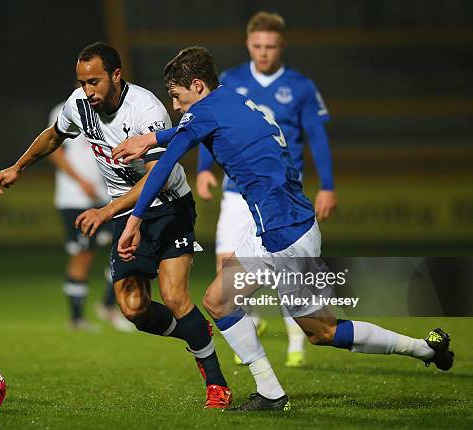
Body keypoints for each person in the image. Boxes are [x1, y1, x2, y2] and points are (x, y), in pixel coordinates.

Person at [113, 46, 454, 412]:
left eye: (178, 97)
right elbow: (187, 131)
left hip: (284, 236)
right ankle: (278, 390)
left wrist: (133, 220)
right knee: (231, 305)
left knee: (312, 328)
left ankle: (280, 392)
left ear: (197, 86)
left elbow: (163, 167)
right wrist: (150, 138)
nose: (177, 106)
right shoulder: (229, 99)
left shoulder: (205, 113)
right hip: (283, 225)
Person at [0, 42, 231, 408]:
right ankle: (194, 330)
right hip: (124, 212)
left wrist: (105, 212)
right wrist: (17, 167)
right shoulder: (79, 105)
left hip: (168, 206)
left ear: (116, 76)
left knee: (174, 295)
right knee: (134, 309)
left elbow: (157, 177)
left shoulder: (146, 109)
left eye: (94, 82)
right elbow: (54, 135)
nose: (87, 91)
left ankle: (216, 383)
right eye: (82, 82)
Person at [196, 11, 336, 367]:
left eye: (270, 46)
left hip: (281, 194)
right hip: (236, 190)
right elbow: (206, 125)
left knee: (288, 271)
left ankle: (295, 343)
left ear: (281, 46)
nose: (264, 53)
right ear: (248, 44)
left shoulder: (301, 86)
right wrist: (203, 170)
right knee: (227, 266)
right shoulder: (230, 80)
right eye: (257, 46)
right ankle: (251, 324)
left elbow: (316, 137)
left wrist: (328, 186)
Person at [47, 102, 133, 332]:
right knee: (82, 256)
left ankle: (108, 304)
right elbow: (54, 150)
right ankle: (76, 319)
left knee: (126, 246)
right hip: (74, 199)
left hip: (106, 199)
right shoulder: (63, 111)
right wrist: (81, 181)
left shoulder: (109, 111)